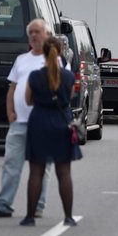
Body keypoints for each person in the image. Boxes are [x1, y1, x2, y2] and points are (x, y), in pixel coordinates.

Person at [0, 19, 50, 219]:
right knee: (11, 165)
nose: (34, 36)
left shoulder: (53, 60)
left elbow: (59, 89)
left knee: (41, 167)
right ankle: (4, 205)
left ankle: (38, 206)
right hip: (19, 122)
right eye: (31, 32)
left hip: (42, 123)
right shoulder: (21, 59)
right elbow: (12, 88)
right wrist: (10, 113)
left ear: (46, 35)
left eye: (38, 32)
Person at [21, 36, 81, 226]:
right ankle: (68, 217)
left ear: (43, 53)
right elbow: (69, 99)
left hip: (39, 122)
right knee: (64, 173)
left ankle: (30, 217)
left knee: (36, 172)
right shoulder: (69, 77)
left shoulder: (35, 76)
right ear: (60, 53)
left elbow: (28, 101)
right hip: (62, 124)